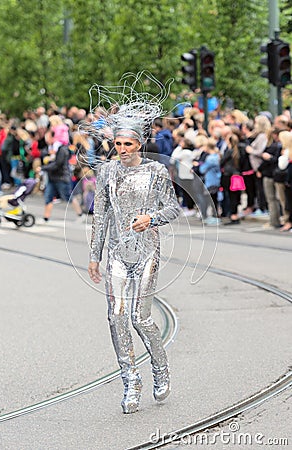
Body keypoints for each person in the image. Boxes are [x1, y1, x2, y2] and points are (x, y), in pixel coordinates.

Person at [87, 75, 180, 414]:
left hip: (147, 252)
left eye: (128, 144)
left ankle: (160, 368)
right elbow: (101, 215)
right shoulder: (107, 172)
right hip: (115, 254)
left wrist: (150, 219)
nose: (122, 150)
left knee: (140, 319)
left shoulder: (156, 171)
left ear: (139, 143)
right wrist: (94, 256)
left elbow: (173, 208)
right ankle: (130, 381)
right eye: (118, 144)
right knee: (115, 316)